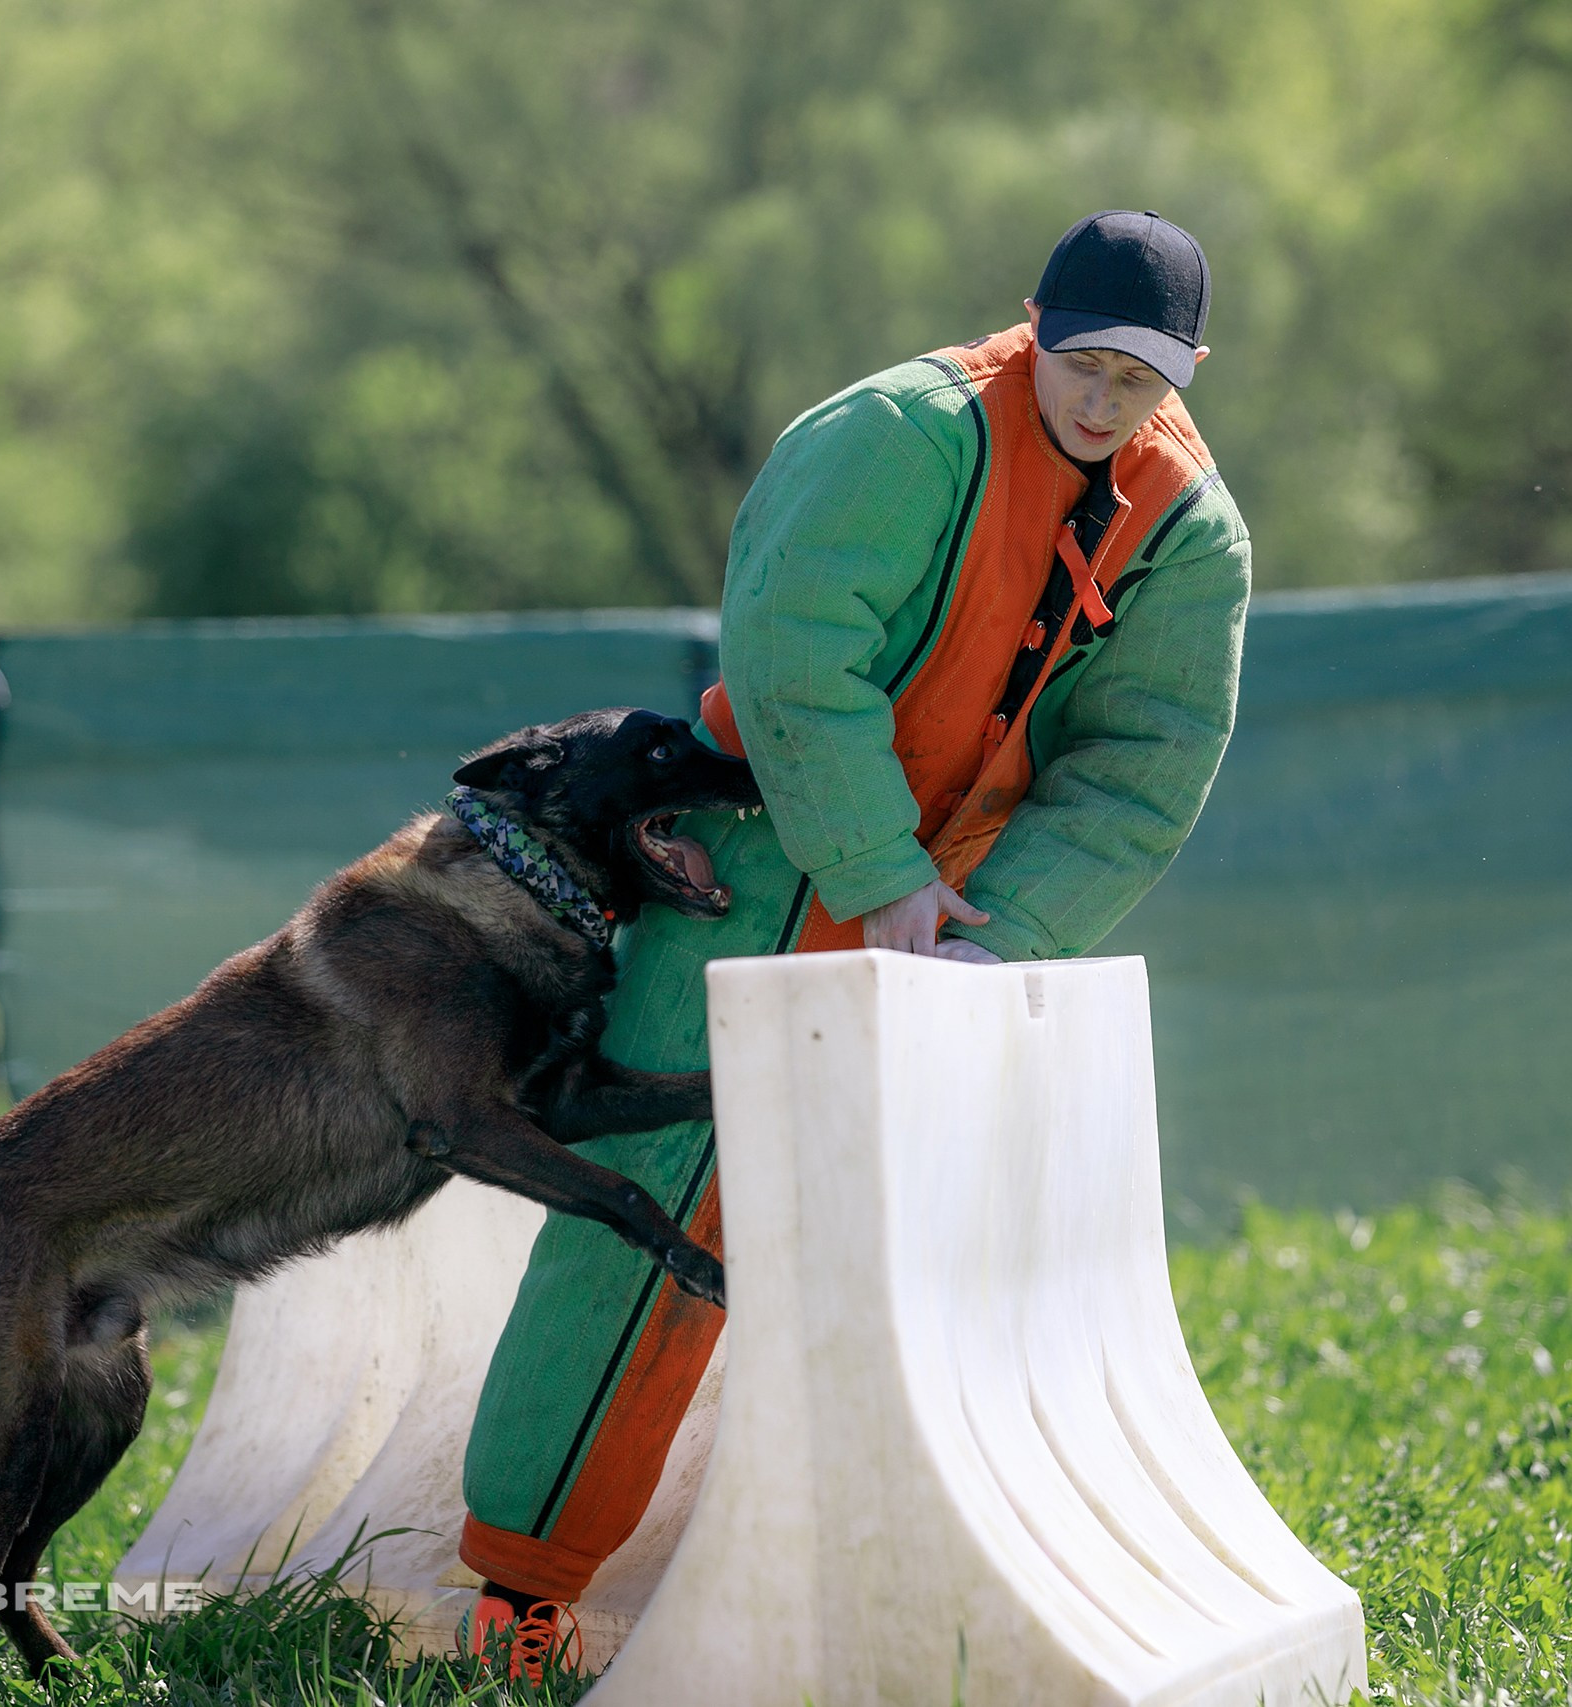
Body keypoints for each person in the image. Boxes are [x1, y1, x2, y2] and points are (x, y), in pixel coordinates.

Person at [456, 209, 1251, 1680]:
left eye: (1141, 379)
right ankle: (525, 1587)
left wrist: (997, 940)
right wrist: (878, 868)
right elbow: (796, 648)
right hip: (760, 861)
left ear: (1190, 371)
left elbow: (1142, 768)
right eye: (1079, 363)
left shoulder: (1192, 536)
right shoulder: (897, 435)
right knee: (652, 1215)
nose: (1102, 402)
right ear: (1030, 325)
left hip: (962, 920)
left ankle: (896, 1610)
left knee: (936, 1256)